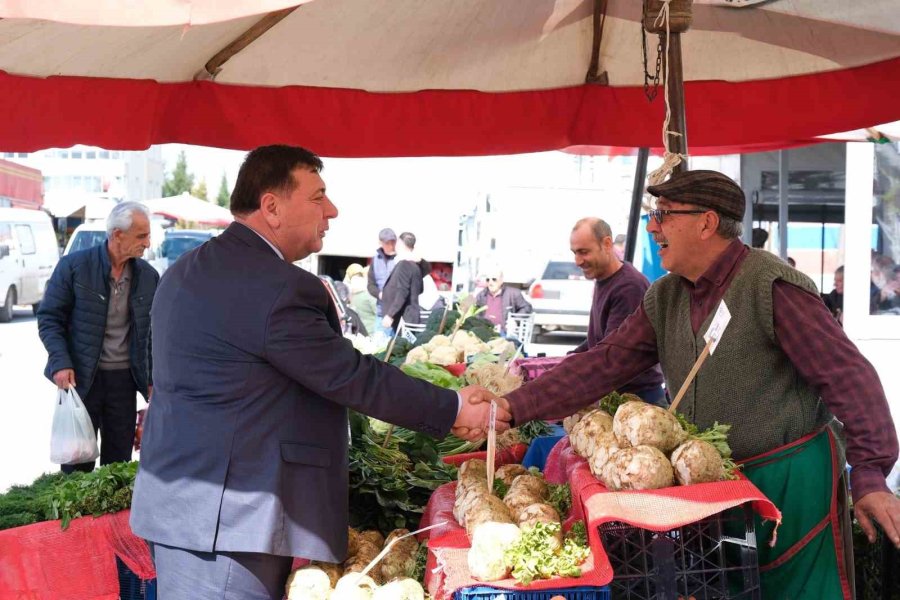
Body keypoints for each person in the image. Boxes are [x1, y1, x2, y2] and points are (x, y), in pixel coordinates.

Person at [479, 170, 899, 600]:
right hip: (717, 490)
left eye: (663, 214)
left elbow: (848, 376)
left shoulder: (770, 285)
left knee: (794, 591)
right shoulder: (666, 297)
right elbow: (604, 362)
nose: (652, 227)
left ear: (707, 223)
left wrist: (869, 474)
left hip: (790, 482)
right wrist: (513, 406)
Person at [129, 145, 508, 600]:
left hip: (186, 508)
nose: (332, 210)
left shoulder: (186, 269)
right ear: (271, 206)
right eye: (317, 197)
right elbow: (349, 375)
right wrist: (451, 406)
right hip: (230, 526)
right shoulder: (278, 287)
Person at [37, 201, 159, 472]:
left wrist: (153, 380)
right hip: (82, 382)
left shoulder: (149, 277)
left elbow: (154, 335)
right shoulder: (74, 267)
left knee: (117, 468)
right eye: (141, 236)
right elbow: (49, 319)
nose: (148, 243)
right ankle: (76, 518)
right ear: (117, 235)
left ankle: (112, 518)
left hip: (124, 384)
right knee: (76, 466)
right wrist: (60, 362)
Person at [568, 217, 666, 406]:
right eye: (574, 253)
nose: (578, 261)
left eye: (584, 252)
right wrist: (571, 357)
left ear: (606, 244)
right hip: (619, 398)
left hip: (638, 402)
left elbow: (612, 357)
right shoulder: (604, 279)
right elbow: (600, 339)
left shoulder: (628, 287)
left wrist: (569, 372)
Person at [380, 231, 429, 331]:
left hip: (404, 316)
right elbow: (420, 289)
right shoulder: (415, 265)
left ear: (401, 244)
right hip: (411, 315)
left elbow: (402, 291)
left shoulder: (404, 264)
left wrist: (390, 314)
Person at [473, 268, 533, 334]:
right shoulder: (481, 295)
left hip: (503, 332)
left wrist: (515, 319)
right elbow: (469, 308)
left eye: (494, 279)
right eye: (488, 280)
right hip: (484, 331)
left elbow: (527, 307)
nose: (490, 282)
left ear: (501, 281)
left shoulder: (513, 293)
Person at [367, 227, 397, 333]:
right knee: (380, 347)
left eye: (393, 242)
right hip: (381, 312)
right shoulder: (375, 260)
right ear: (381, 243)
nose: (391, 245)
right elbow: (370, 285)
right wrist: (379, 294)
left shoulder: (400, 258)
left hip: (399, 313)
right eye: (388, 243)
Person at [345, 263, 377, 334]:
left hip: (358, 331)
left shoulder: (348, 290)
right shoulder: (368, 293)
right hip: (370, 332)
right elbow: (378, 313)